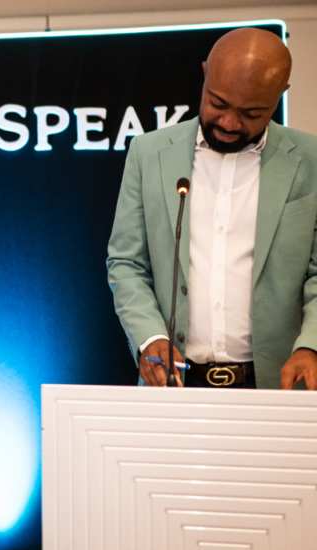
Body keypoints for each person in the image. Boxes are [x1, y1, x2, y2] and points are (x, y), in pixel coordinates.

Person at [107, 27, 317, 390]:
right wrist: (150, 336)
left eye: (251, 113)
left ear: (280, 95)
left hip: (277, 386)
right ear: (205, 73)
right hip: (173, 384)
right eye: (218, 104)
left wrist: (310, 346)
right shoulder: (148, 153)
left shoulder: (311, 160)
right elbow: (127, 262)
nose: (229, 124)